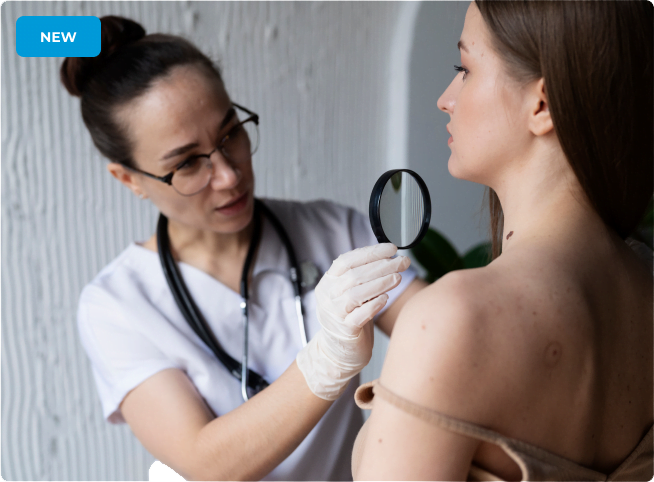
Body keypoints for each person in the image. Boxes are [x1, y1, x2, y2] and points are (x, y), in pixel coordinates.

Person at [63, 16, 426, 482]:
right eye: (189, 163)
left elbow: (441, 333)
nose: (230, 175)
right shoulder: (116, 306)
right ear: (129, 179)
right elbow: (206, 462)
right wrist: (330, 356)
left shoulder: (334, 231)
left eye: (231, 133)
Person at [349, 0, 654, 480]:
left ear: (542, 104)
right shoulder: (644, 283)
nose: (445, 98)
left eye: (464, 69)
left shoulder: (454, 318)